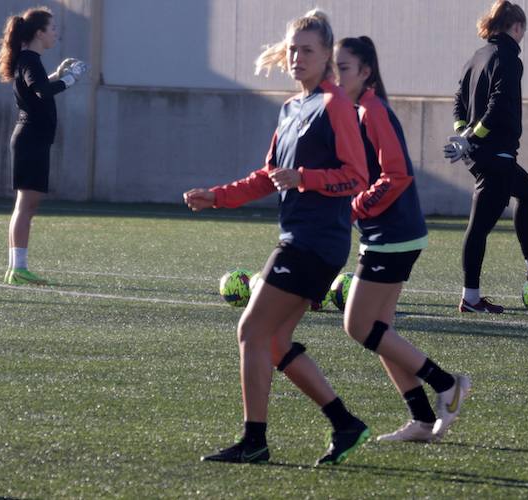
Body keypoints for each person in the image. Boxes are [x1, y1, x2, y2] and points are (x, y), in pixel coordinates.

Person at [184, 10, 371, 466]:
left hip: (316, 241)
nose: (296, 57)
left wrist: (305, 176)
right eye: (292, 49)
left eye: (307, 50)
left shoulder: (336, 105)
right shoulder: (291, 109)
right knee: (273, 342)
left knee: (250, 329)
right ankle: (345, 423)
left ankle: (255, 442)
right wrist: (218, 196)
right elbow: (269, 177)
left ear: (327, 55)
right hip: (300, 237)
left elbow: (357, 176)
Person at [335, 37, 471, 442]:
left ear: (365, 72)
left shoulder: (373, 111)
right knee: (380, 330)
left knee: (358, 326)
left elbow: (396, 176)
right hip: (387, 234)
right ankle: (423, 420)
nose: (335, 74)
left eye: (343, 67)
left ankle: (447, 383)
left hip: (392, 236)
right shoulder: (357, 110)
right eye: (334, 67)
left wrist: (354, 208)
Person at [444, 0, 528, 313]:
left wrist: (464, 133)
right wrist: (471, 136)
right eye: (523, 30)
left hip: (481, 153)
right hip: (496, 153)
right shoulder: (508, 57)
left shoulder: (476, 57)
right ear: (516, 27)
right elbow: (497, 106)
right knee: (479, 227)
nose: (523, 36)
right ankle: (471, 297)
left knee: (527, 190)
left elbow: (457, 102)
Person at [0, 7, 87, 285]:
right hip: (31, 138)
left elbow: (36, 90)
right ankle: (19, 269)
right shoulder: (30, 60)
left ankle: (16, 269)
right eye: (52, 28)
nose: (56, 33)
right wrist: (71, 79)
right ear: (39, 33)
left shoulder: (29, 60)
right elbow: (42, 93)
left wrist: (57, 75)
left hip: (32, 138)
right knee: (26, 206)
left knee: (26, 205)